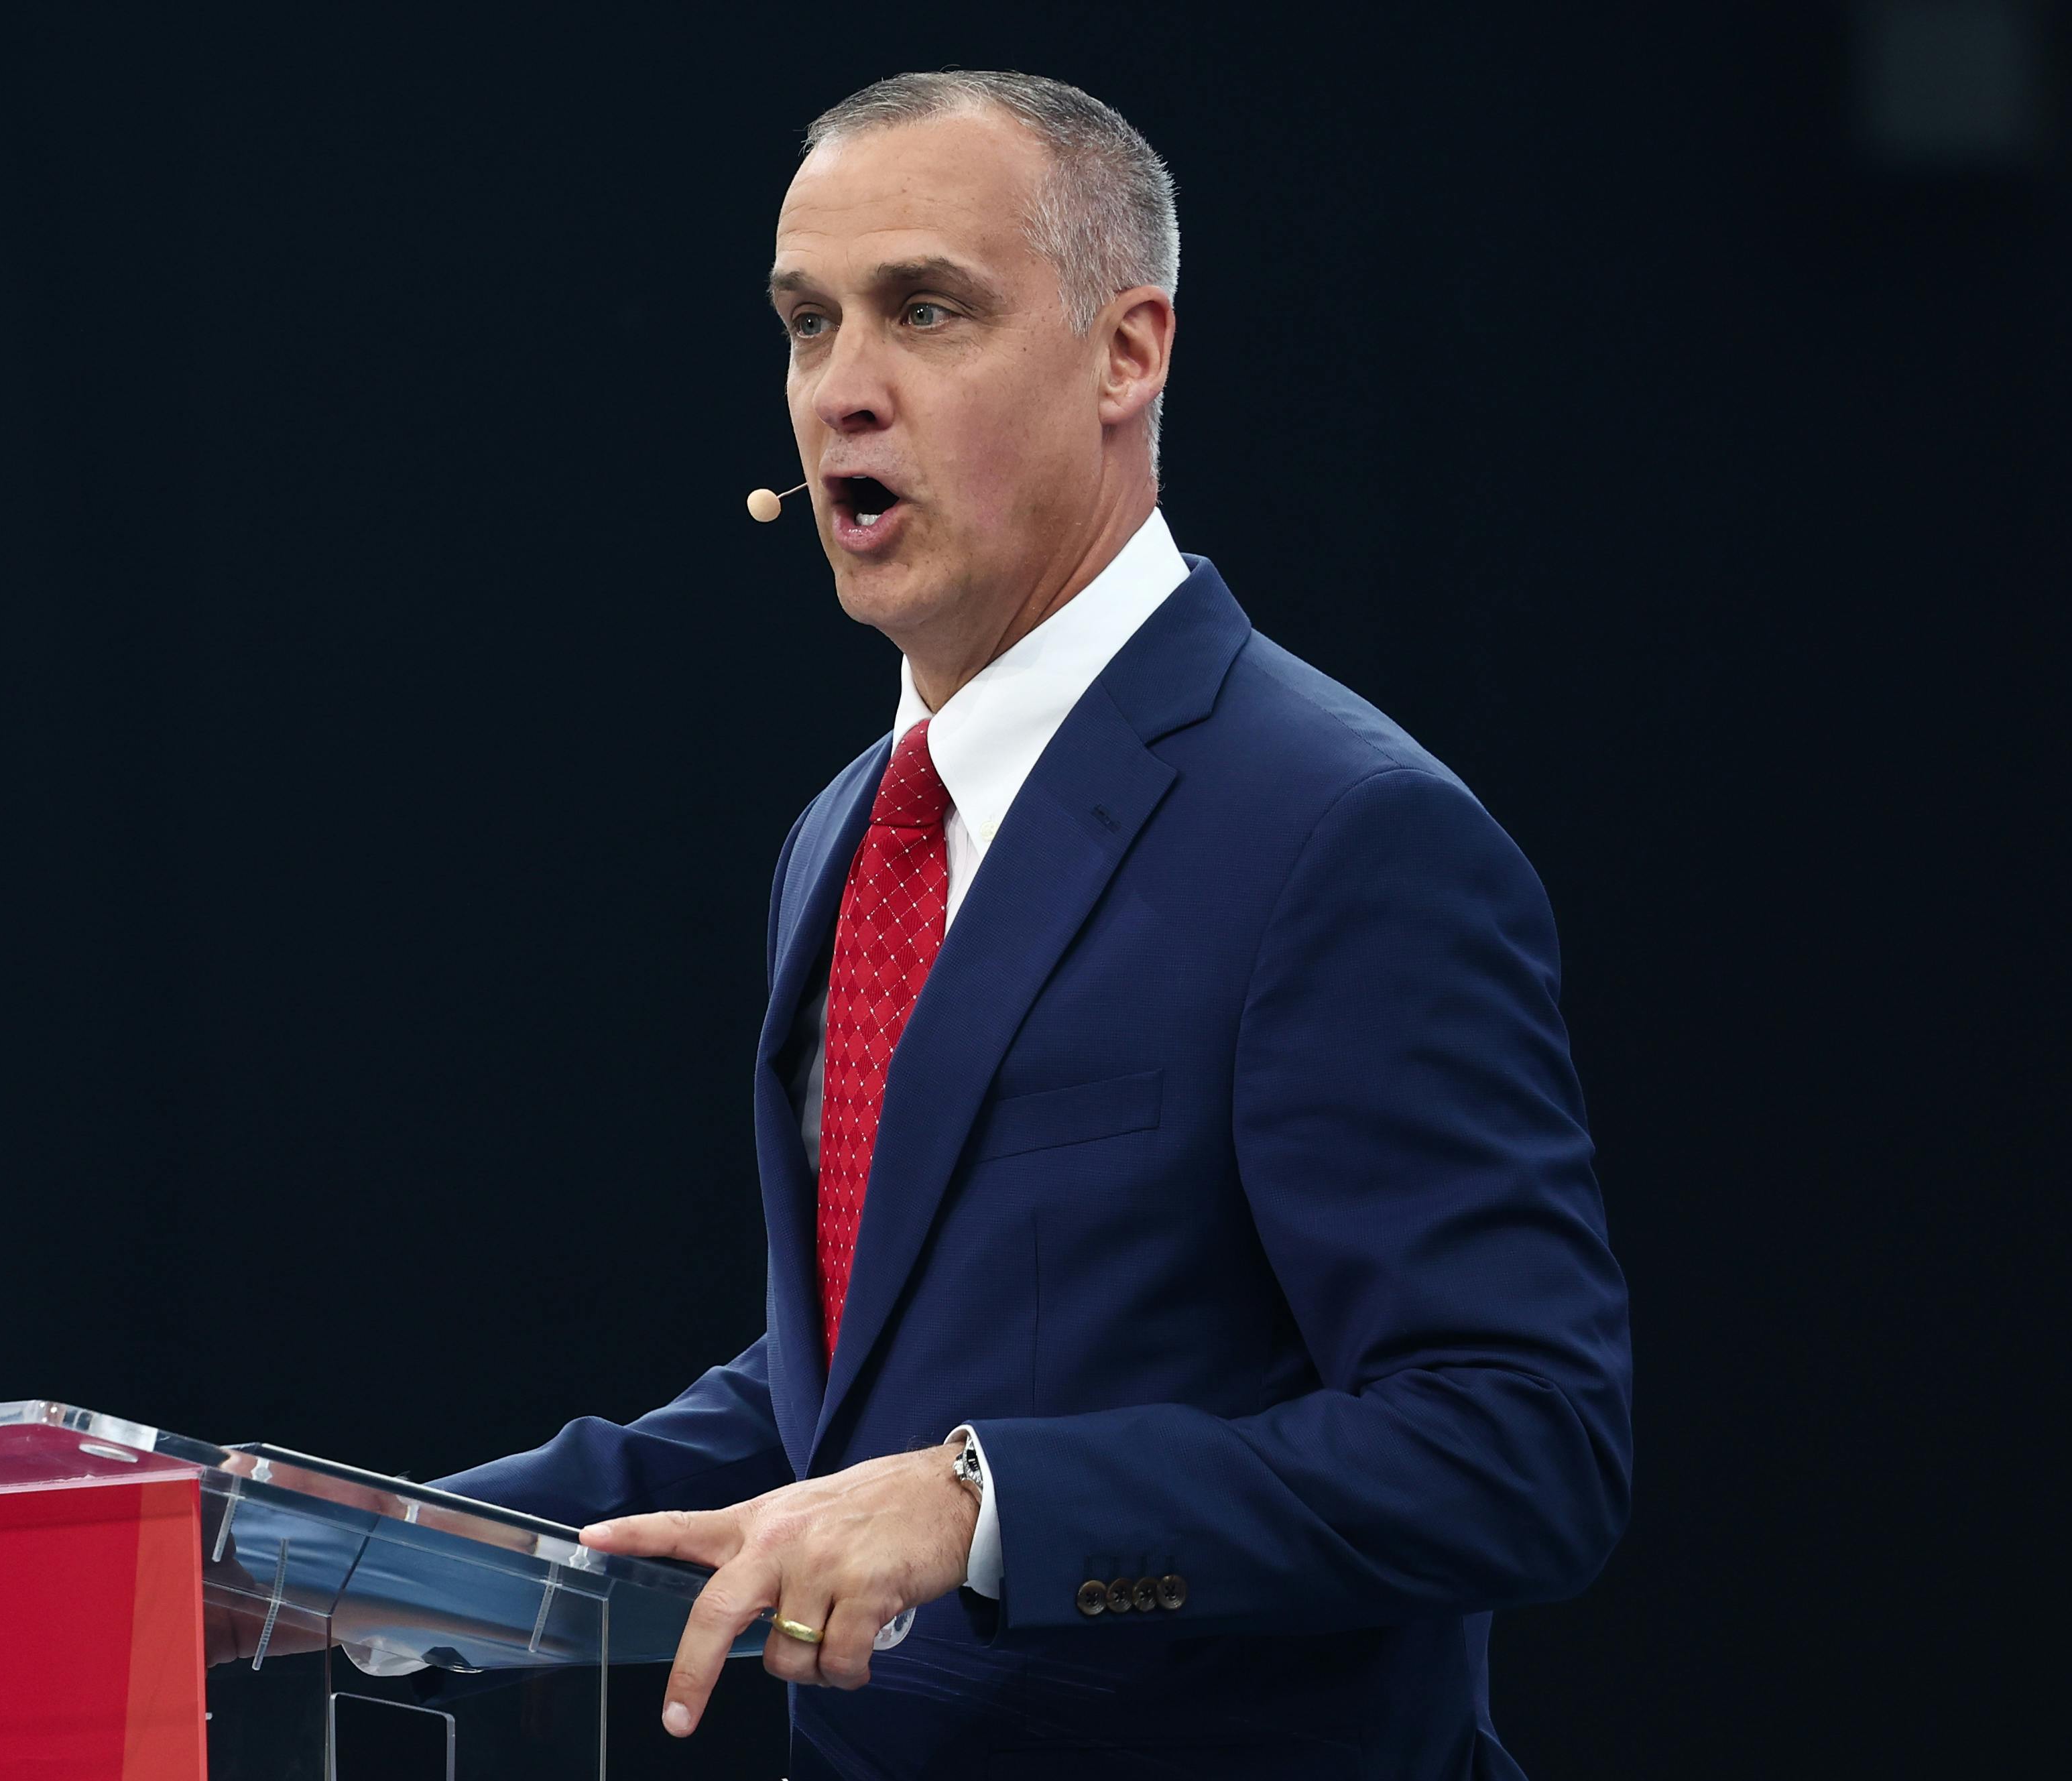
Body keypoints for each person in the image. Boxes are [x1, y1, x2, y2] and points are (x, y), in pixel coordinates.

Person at [435, 70, 1632, 1781]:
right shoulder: (848, 832)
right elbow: (845, 1388)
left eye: (925, 311)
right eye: (804, 324)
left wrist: (986, 1502)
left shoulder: (1344, 835)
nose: (842, 392)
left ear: (1125, 354)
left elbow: (1521, 1448)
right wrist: (376, 1544)